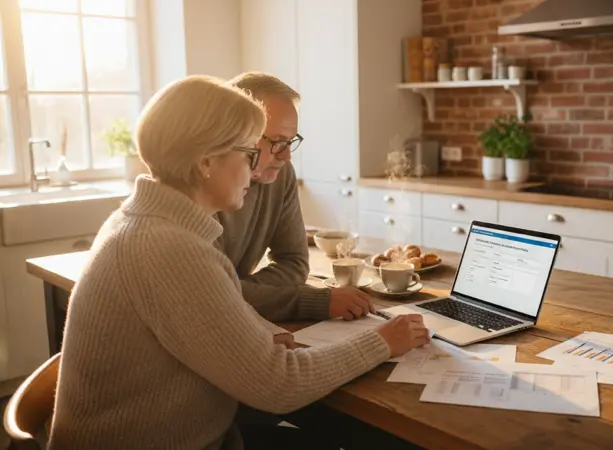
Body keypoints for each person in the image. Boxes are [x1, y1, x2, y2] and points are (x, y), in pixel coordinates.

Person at [48, 75, 429, 449]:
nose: (256, 169)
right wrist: (382, 340)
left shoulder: (148, 223)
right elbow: (281, 385)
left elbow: (214, 311)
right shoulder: (170, 249)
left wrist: (257, 332)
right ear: (206, 162)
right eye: (249, 154)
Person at [215, 72, 371, 327]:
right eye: (277, 142)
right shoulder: (203, 190)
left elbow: (295, 264)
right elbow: (212, 297)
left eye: (290, 142)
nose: (286, 156)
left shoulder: (281, 175)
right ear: (237, 132)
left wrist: (236, 291)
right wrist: (314, 301)